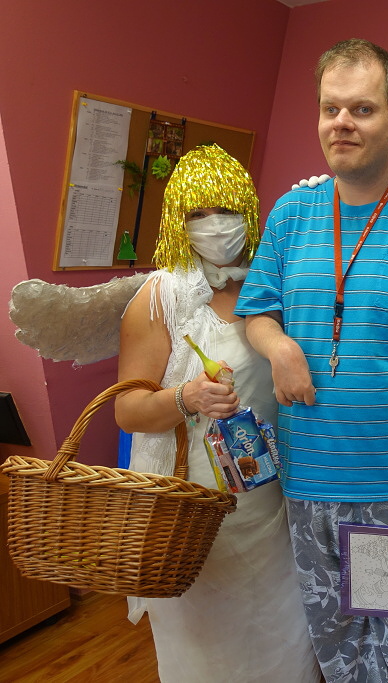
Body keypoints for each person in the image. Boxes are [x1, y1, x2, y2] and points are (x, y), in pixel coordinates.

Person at [235, 39, 388, 682]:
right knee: (340, 662)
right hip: (309, 489)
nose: (342, 123)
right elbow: (255, 311)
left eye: (362, 109)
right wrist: (280, 346)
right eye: (331, 109)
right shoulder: (290, 214)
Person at [115, 144, 321, 682]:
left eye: (225, 210)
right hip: (193, 510)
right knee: (206, 647)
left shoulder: (276, 282)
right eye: (197, 213)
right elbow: (126, 411)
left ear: (248, 213)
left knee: (285, 636)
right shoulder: (160, 297)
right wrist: (185, 398)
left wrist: (321, 208)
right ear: (176, 221)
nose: (214, 225)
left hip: (273, 500)